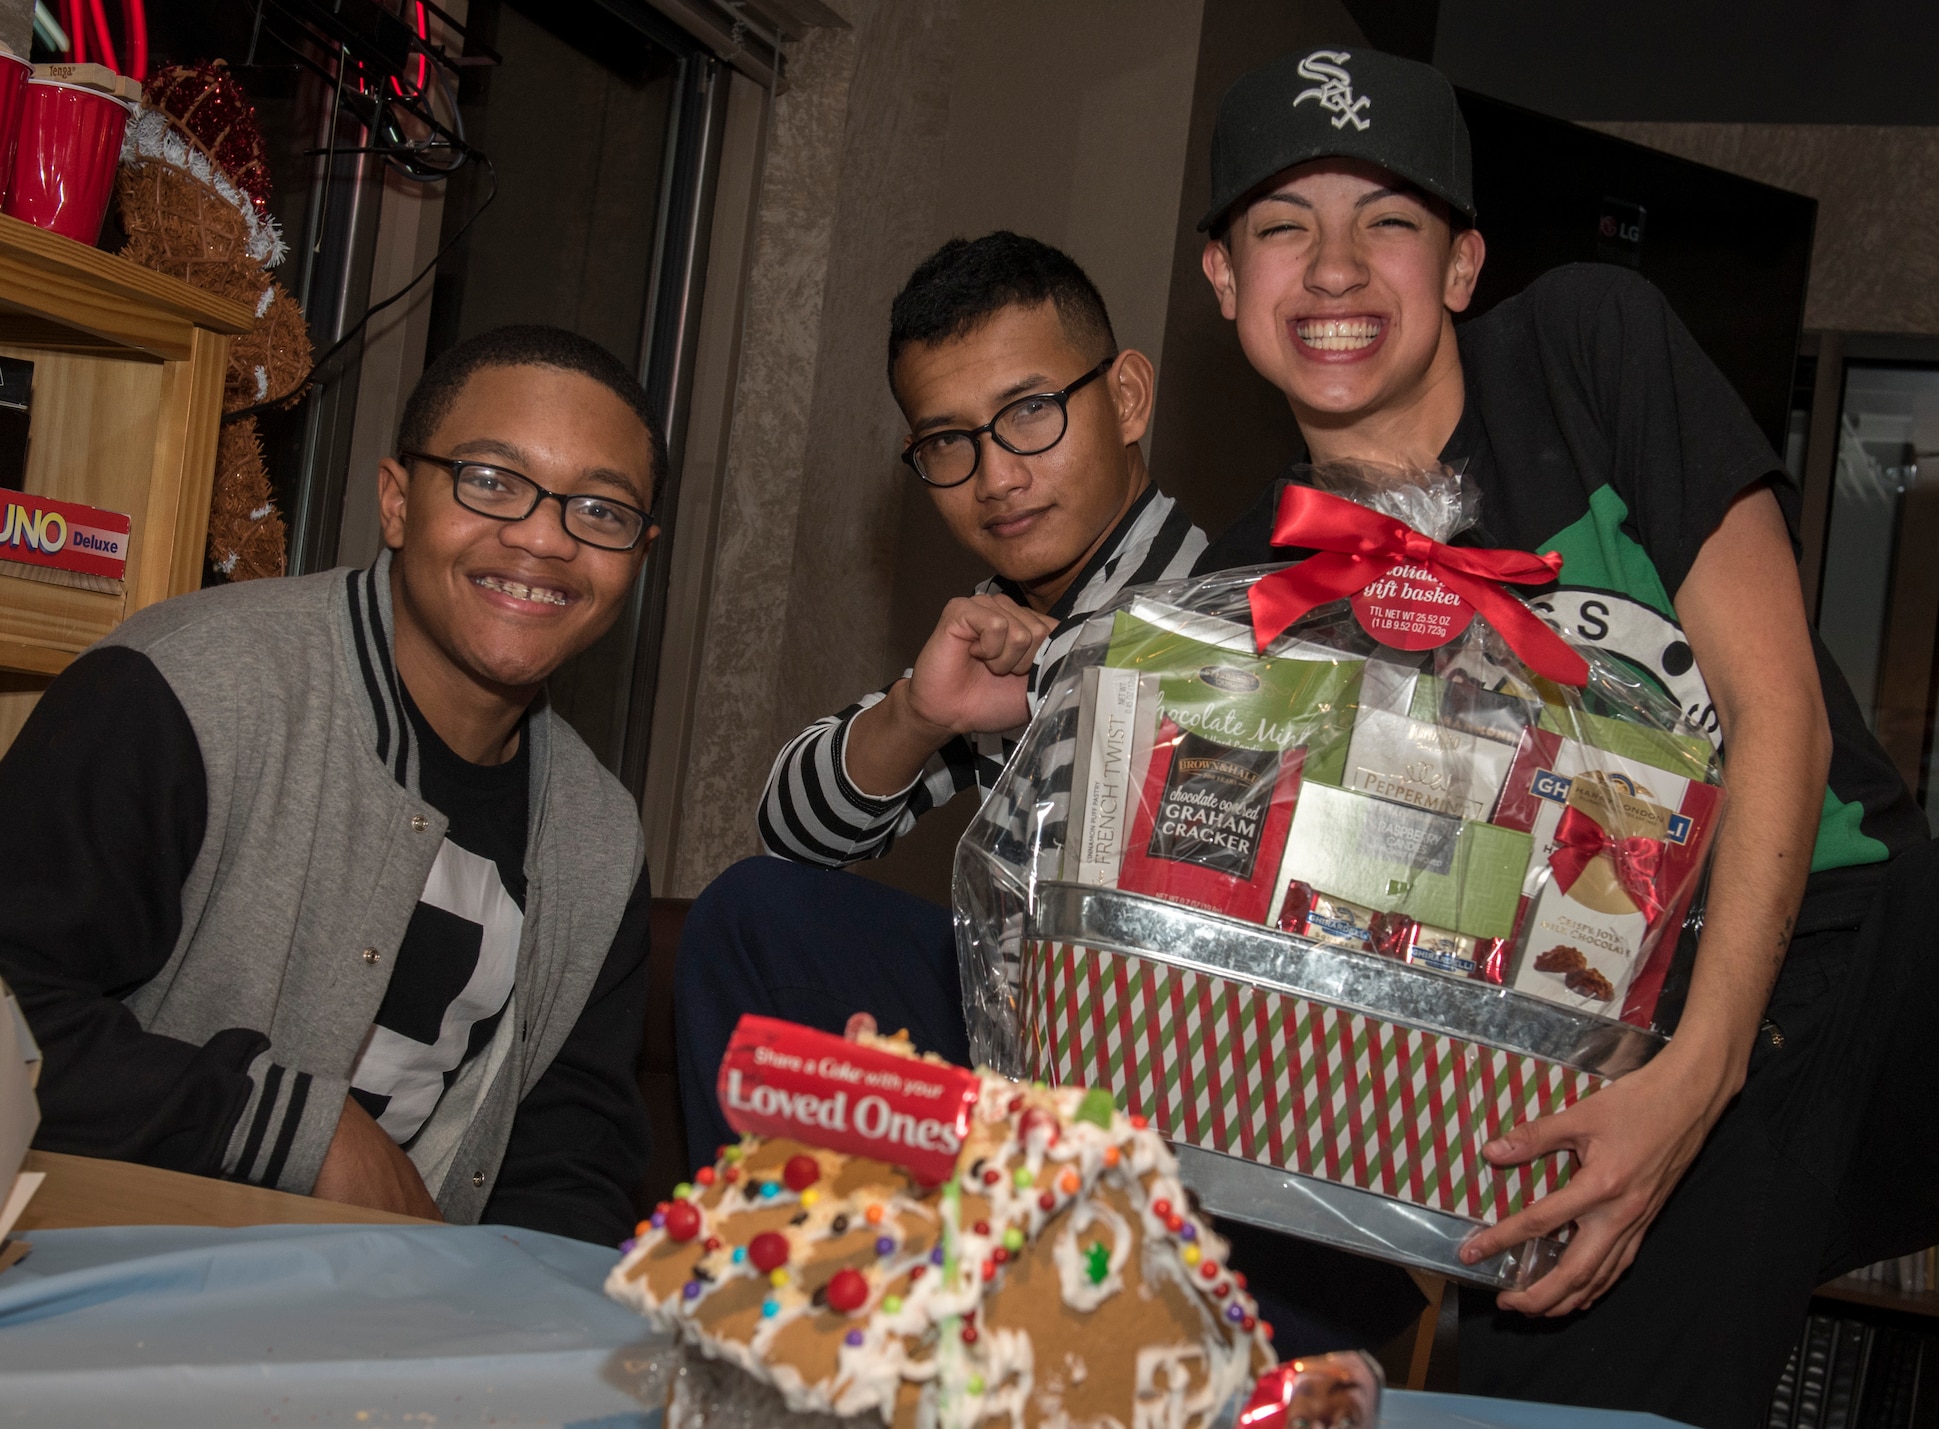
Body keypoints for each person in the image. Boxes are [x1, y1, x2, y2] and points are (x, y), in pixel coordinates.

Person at [1189, 45, 1939, 1429]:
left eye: (1387, 217)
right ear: (1224, 283)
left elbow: (1776, 704)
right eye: (1281, 225)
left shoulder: (1584, 344)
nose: (1331, 267)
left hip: (1847, 955)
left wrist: (1704, 1073)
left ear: (1460, 265)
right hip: (1591, 1090)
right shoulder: (1259, 602)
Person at [0, 325, 661, 1247]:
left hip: (398, 1357)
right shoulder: (186, 688)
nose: (544, 537)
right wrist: (294, 1134)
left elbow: (567, 1169)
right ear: (396, 502)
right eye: (491, 480)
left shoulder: (598, 839)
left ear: (637, 555)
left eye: (600, 509)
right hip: (108, 1298)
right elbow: (12, 1013)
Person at [677, 232, 1203, 1155]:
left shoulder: (1235, 608)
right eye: (948, 441)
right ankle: (791, 1267)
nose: (996, 477)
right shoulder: (1001, 620)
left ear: (1126, 398)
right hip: (1014, 1058)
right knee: (756, 914)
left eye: (1031, 411)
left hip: (1177, 1088)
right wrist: (924, 713)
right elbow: (796, 831)